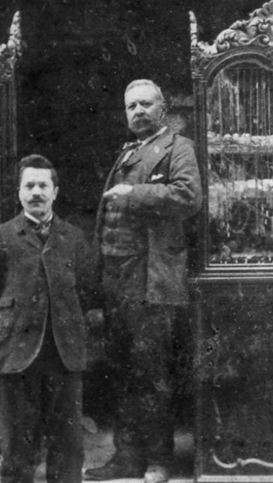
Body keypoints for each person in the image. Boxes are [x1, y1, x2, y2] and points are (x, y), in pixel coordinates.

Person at [85, 79, 202, 483]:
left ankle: (158, 460)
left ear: (163, 108)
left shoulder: (178, 148)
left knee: (151, 374)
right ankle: (126, 458)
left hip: (151, 281)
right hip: (120, 282)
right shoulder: (126, 152)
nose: (139, 111)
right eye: (131, 105)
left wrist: (132, 193)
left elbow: (188, 197)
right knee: (122, 372)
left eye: (146, 104)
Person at [0, 154, 100, 483]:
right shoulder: (0, 237)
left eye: (43, 185)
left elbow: (90, 292)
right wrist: (8, 323)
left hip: (63, 354)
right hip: (15, 354)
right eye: (29, 185)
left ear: (55, 192)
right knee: (17, 447)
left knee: (67, 447)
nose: (36, 192)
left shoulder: (73, 238)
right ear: (19, 193)